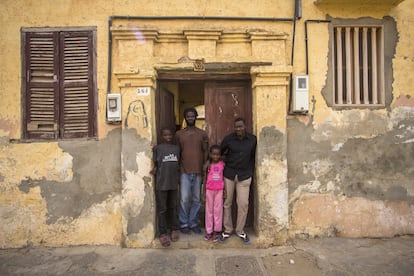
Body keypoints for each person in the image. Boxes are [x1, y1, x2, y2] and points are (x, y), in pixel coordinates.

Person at [220, 117, 257, 244]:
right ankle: (228, 229)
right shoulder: (229, 139)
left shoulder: (252, 139)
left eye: (240, 126)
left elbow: (253, 156)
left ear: (245, 126)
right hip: (229, 174)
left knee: (243, 204)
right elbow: (220, 152)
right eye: (236, 127)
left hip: (245, 175)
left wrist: (250, 170)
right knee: (227, 202)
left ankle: (240, 230)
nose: (238, 129)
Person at [175, 107, 209, 234]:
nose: (190, 118)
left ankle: (193, 222)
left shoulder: (202, 134)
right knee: (184, 199)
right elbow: (177, 152)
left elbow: (205, 150)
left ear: (195, 117)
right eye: (188, 116)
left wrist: (205, 164)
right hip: (184, 171)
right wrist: (178, 169)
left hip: (198, 171)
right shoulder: (179, 134)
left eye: (192, 116)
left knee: (196, 199)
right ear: (185, 118)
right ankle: (184, 223)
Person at [151, 127, 180, 247]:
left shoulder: (176, 148)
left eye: (169, 135)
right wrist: (155, 168)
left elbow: (179, 163)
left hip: (173, 182)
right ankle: (162, 233)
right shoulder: (158, 148)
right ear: (162, 136)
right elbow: (156, 163)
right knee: (162, 209)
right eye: (165, 135)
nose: (168, 137)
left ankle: (174, 229)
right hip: (161, 183)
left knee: (173, 206)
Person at [203, 145, 225, 242]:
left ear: (220, 155)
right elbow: (204, 179)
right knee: (209, 211)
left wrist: (225, 190)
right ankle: (209, 231)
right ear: (210, 154)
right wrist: (203, 191)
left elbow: (224, 178)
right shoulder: (207, 165)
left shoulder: (222, 164)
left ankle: (216, 231)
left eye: (218, 155)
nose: (215, 157)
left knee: (218, 210)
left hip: (219, 190)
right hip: (209, 190)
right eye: (213, 154)